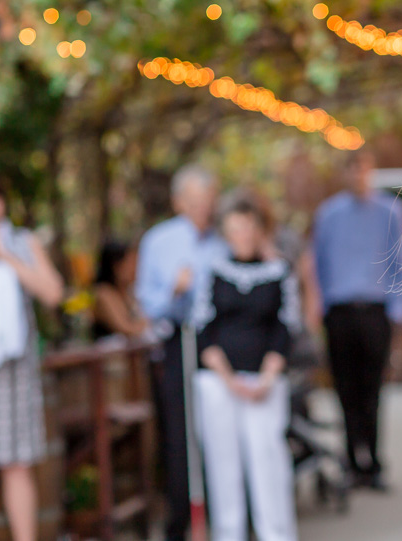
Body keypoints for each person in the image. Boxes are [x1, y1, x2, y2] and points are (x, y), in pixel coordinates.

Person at [190, 191, 299, 541]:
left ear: (259, 230)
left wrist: (266, 377)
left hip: (265, 382)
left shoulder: (279, 270)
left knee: (268, 463)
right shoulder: (213, 271)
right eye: (234, 228)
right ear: (225, 232)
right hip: (219, 382)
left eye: (248, 227)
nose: (242, 235)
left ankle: (276, 534)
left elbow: (286, 326)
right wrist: (228, 379)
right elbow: (203, 329)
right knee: (224, 466)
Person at [134, 165, 227, 541]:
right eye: (196, 201)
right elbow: (146, 305)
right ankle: (180, 521)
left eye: (209, 200)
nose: (204, 208)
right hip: (179, 343)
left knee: (217, 429)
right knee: (179, 434)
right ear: (179, 203)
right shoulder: (159, 241)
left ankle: (224, 516)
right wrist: (174, 291)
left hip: (218, 342)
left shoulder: (224, 239)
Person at [312, 150, 402, 490]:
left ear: (370, 170)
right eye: (352, 168)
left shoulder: (390, 211)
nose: (358, 174)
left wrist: (397, 313)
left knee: (372, 390)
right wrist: (322, 309)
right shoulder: (328, 214)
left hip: (375, 311)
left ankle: (372, 461)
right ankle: (352, 461)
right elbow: (318, 265)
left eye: (363, 168)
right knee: (344, 390)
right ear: (344, 172)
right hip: (339, 313)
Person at [0, 182, 64, 541]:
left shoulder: (23, 242)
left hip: (14, 368)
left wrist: (6, 256)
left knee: (17, 463)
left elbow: (53, 292)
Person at [92, 239, 148, 340]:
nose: (135, 268)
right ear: (116, 266)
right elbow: (126, 328)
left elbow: (144, 320)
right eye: (130, 263)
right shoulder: (103, 292)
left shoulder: (128, 292)